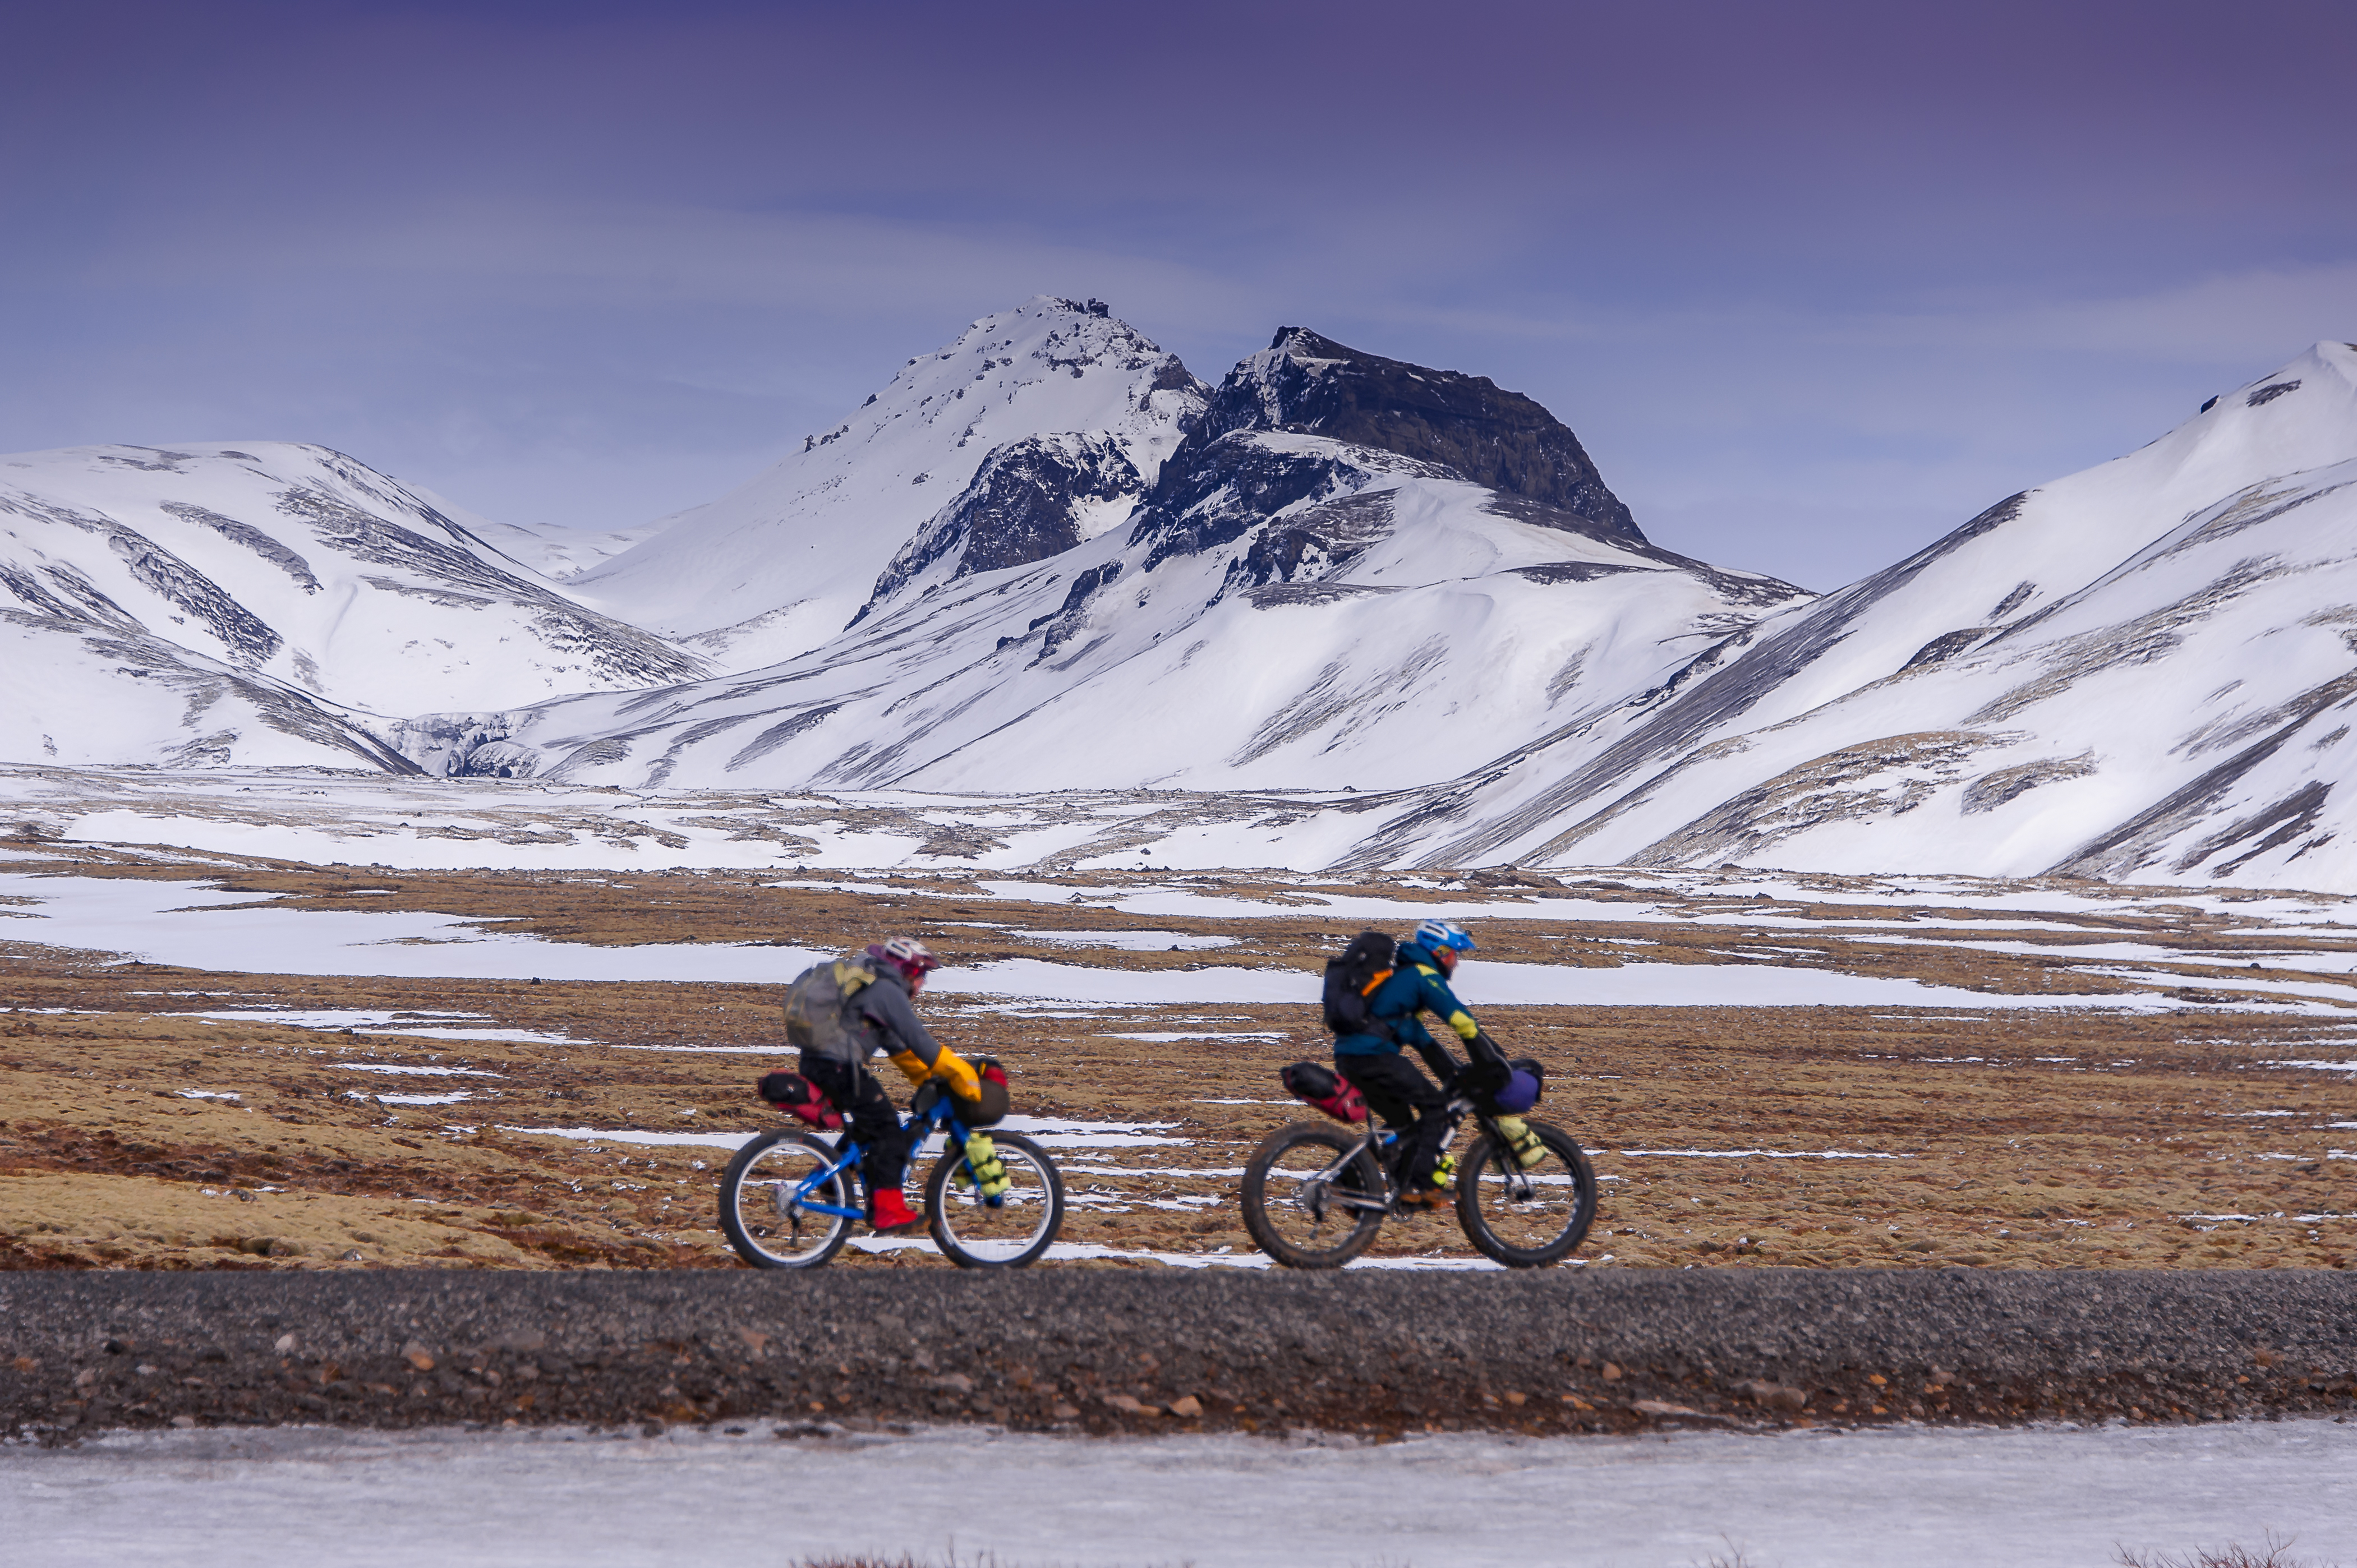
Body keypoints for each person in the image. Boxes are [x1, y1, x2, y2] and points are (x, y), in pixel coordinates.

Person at [795, 936, 984, 1234]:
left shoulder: (873, 987)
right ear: (908, 971)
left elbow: (900, 1049)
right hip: (840, 1067)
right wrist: (962, 1074)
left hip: (820, 1063)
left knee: (867, 1126)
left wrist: (932, 1079)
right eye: (921, 976)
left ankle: (831, 1177)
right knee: (888, 1130)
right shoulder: (887, 991)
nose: (922, 985)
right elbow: (920, 1041)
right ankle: (888, 1211)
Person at [1331, 918, 1502, 1210]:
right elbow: (1461, 1020)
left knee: (1403, 1126)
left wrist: (1454, 1074)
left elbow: (1420, 1039)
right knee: (1435, 1108)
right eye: (1455, 954)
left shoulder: (1403, 978)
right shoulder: (1423, 976)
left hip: (1350, 1058)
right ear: (1440, 952)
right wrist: (1491, 1058)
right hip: (1373, 1057)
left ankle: (1348, 1181)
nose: (1456, 963)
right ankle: (1419, 1186)